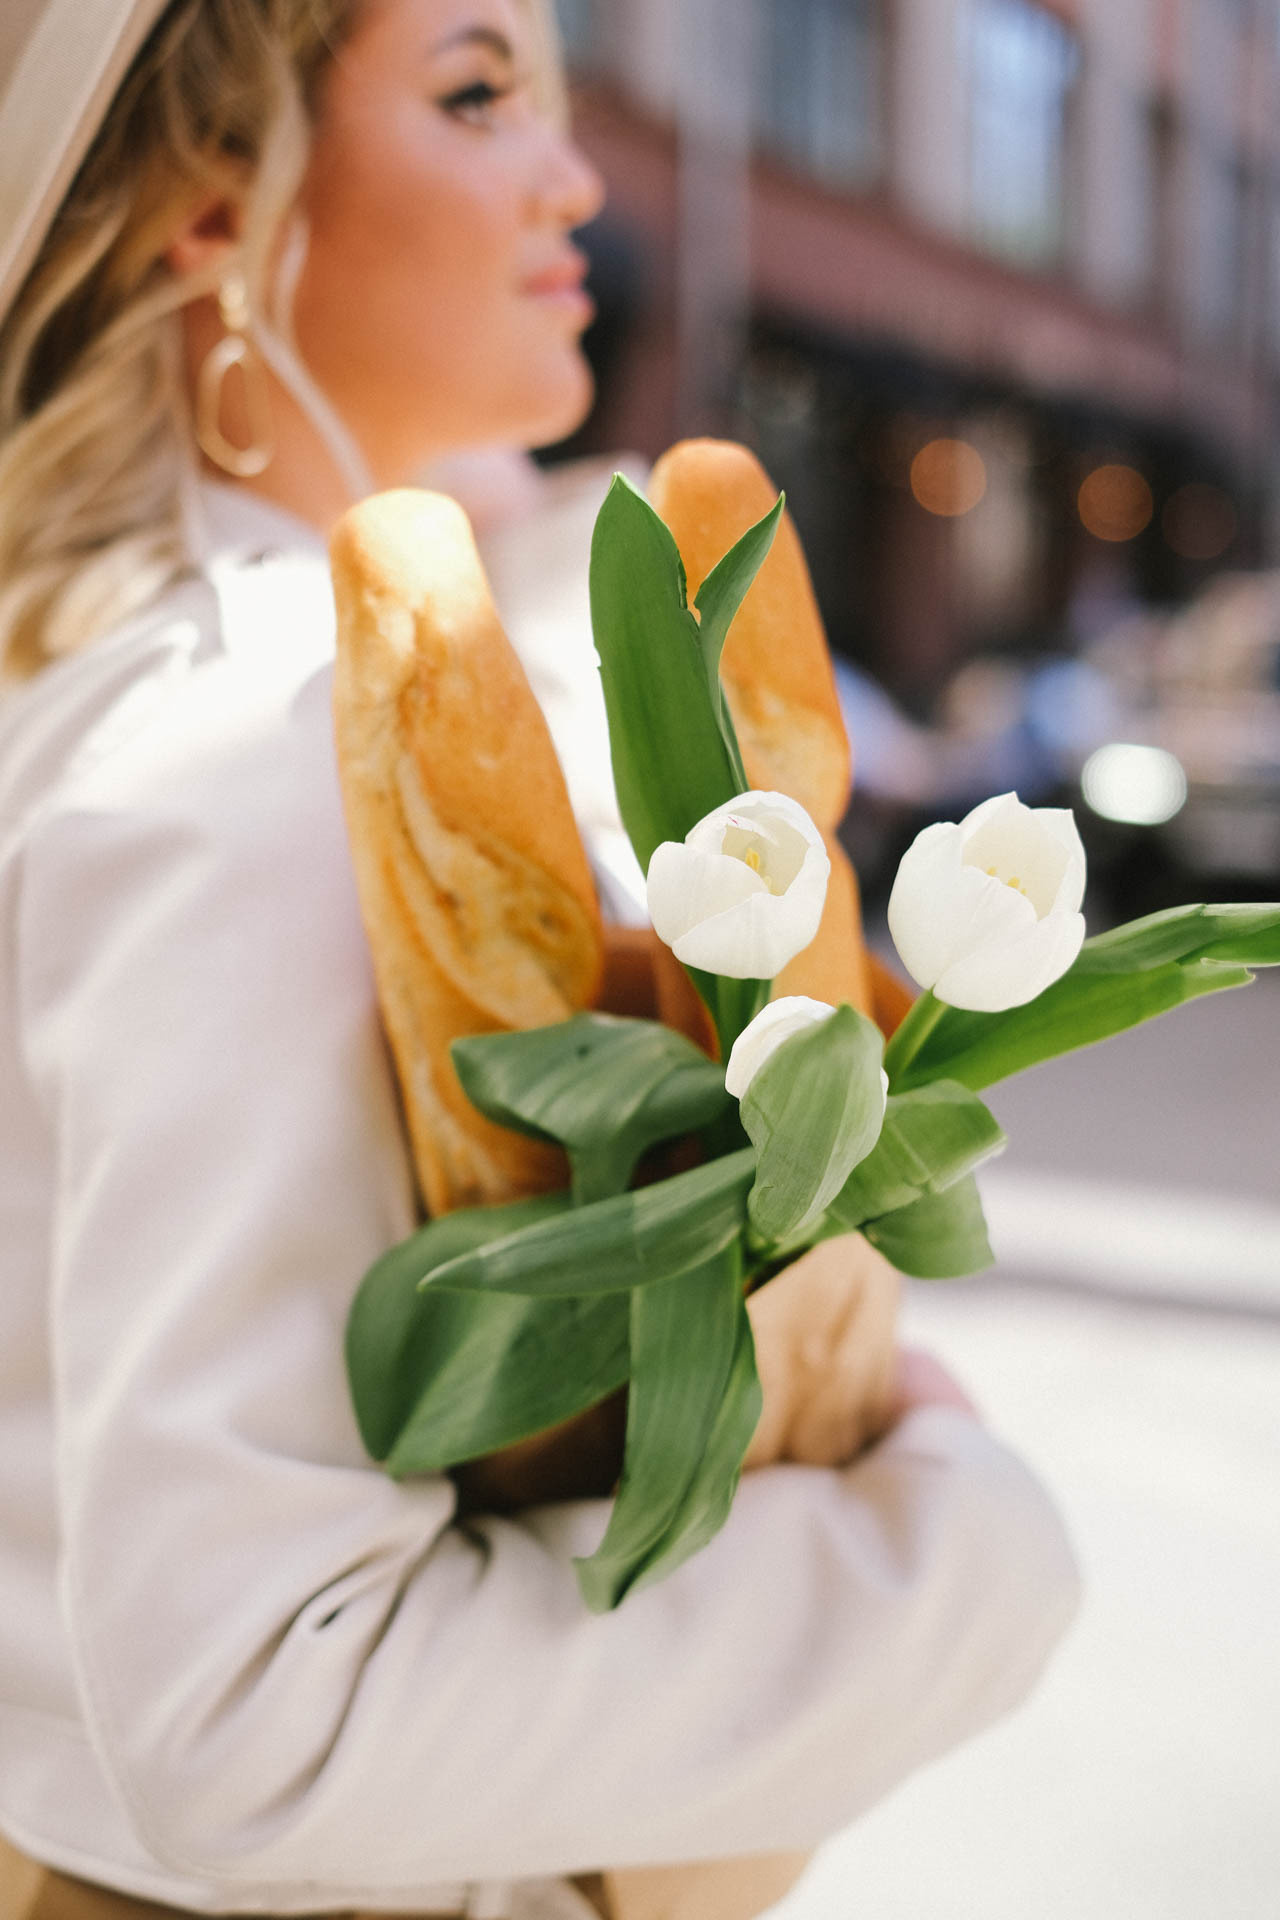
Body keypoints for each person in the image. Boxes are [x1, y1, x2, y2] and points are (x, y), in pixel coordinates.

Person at [0, 5, 1081, 1920]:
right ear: (202, 208)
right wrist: (971, 1553)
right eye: (480, 93)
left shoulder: (110, 676)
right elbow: (262, 1723)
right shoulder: (260, 740)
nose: (577, 178)